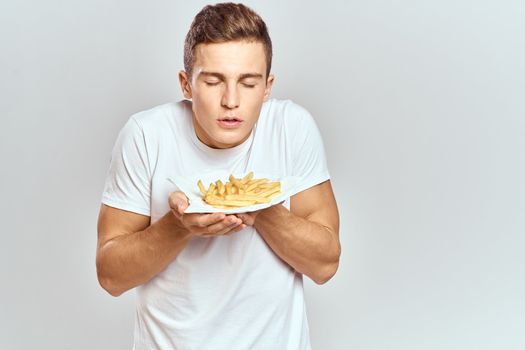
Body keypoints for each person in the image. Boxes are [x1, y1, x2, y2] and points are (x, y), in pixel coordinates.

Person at [96, 3, 340, 349]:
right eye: (213, 81)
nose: (231, 100)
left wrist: (262, 209)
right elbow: (110, 275)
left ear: (268, 87)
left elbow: (326, 264)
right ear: (186, 84)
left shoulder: (292, 128)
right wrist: (177, 227)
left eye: (249, 83)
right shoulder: (146, 135)